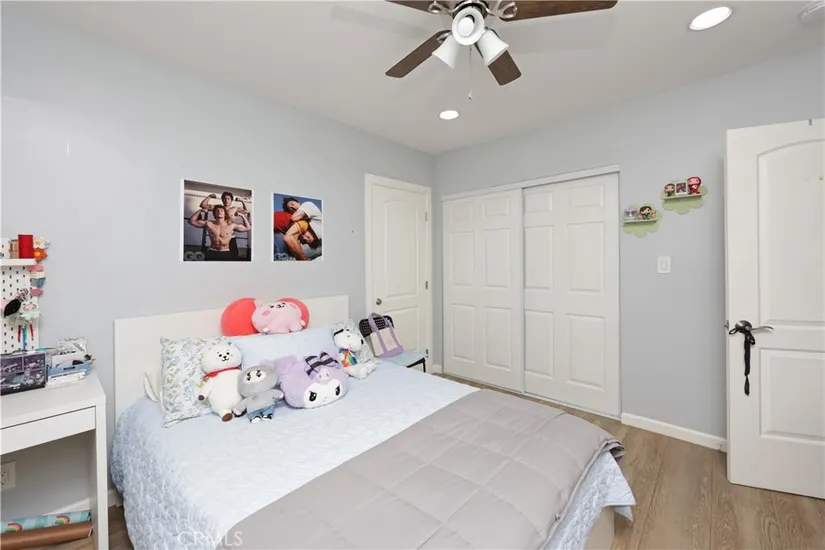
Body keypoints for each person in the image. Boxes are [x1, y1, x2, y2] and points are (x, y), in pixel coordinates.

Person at [200, 192, 250, 258]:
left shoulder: (234, 209)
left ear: (231, 200)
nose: (226, 200)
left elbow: (247, 210)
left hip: (230, 237)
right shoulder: (218, 208)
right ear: (222, 200)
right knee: (218, 255)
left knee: (234, 256)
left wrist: (242, 201)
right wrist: (209, 196)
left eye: (228, 199)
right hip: (219, 236)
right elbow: (203, 205)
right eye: (224, 198)